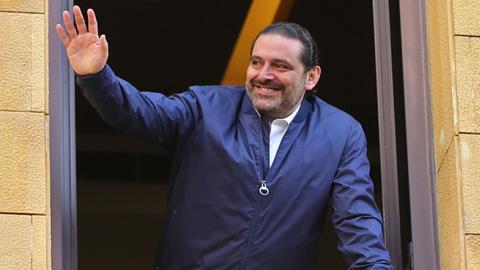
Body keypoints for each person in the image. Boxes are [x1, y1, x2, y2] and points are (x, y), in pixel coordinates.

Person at [57, 6, 392, 269]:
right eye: (256, 62)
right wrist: (96, 76)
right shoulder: (206, 107)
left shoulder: (340, 132)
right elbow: (140, 112)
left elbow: (357, 221)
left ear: (311, 77)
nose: (264, 75)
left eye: (280, 66)